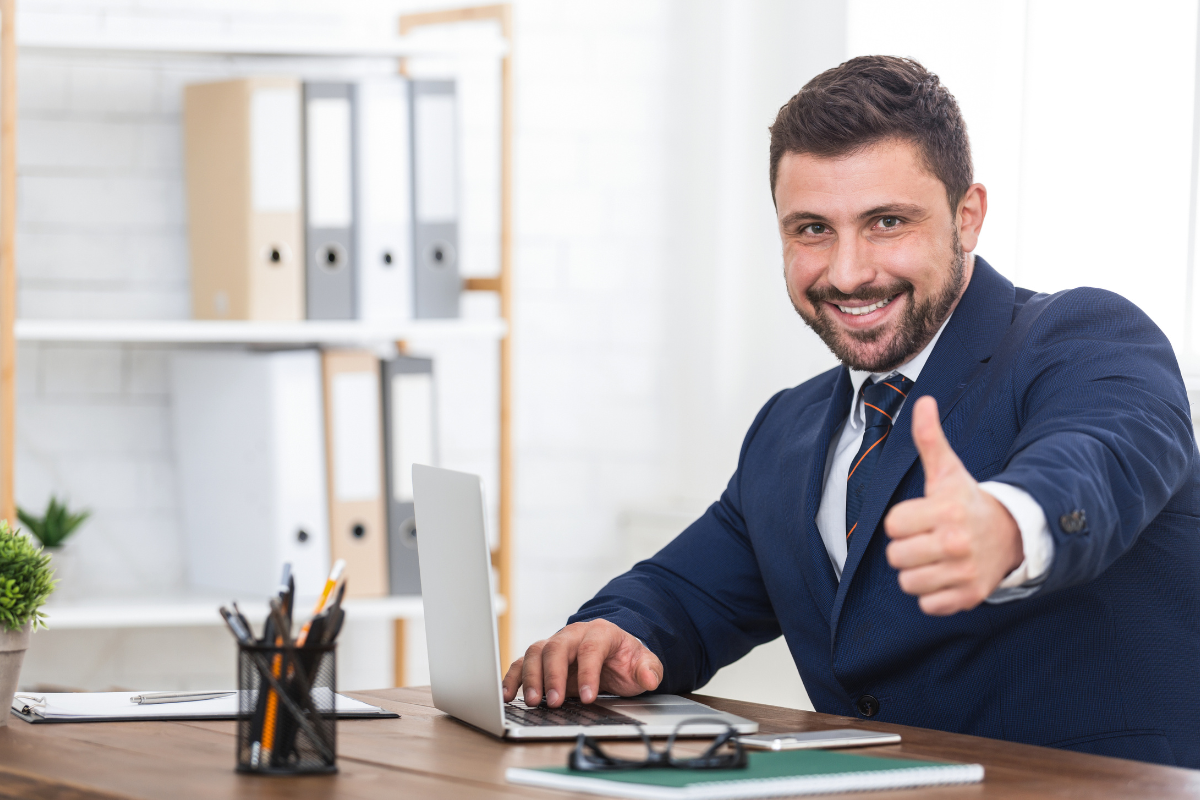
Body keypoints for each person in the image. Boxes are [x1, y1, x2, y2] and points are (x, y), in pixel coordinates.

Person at [502, 56, 1200, 767]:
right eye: (811, 230)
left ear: (968, 216)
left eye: (887, 222)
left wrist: (1011, 523)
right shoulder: (789, 430)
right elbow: (684, 593)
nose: (847, 272)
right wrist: (616, 636)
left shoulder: (1082, 336)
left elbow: (1104, 455)